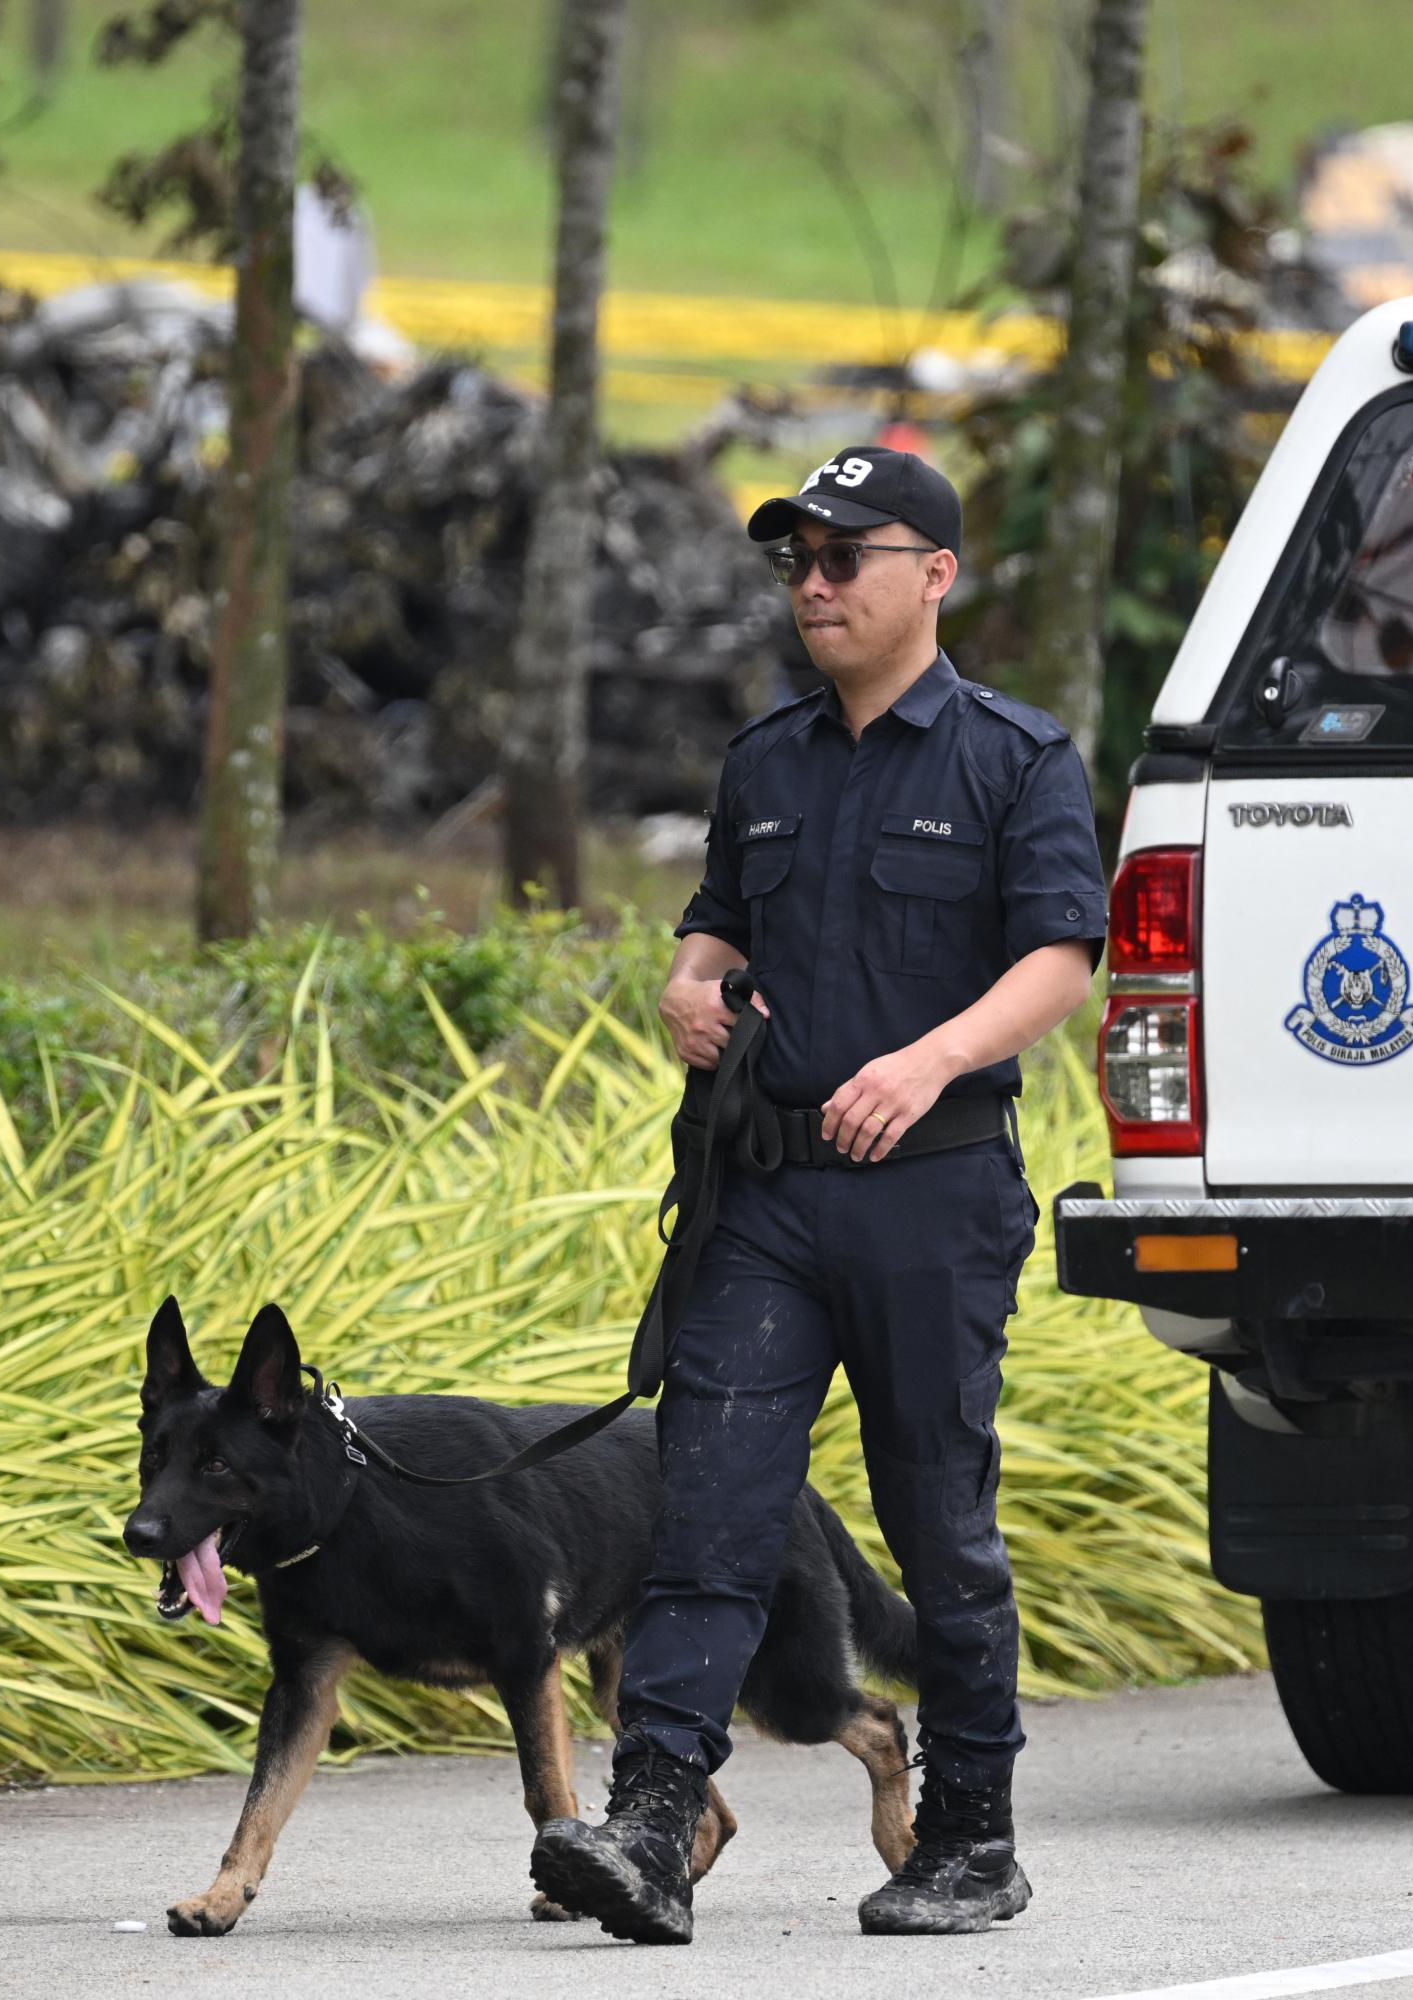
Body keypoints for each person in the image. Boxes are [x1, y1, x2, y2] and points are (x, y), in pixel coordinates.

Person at [530, 445, 1105, 1943]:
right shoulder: (766, 762)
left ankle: (970, 1832)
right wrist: (689, 989)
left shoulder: (1015, 757)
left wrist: (932, 1061)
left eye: (848, 556)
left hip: (930, 1199)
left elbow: (1058, 955)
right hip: (765, 1205)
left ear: (937, 576)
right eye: (797, 559)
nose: (816, 583)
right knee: (708, 1508)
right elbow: (717, 929)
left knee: (937, 1522)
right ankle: (651, 1823)